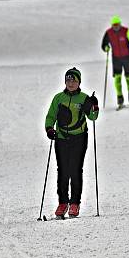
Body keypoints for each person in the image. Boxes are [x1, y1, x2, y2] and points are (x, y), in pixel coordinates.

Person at [44, 67, 99, 218]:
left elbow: (93, 117)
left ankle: (75, 203)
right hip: (61, 138)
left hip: (79, 138)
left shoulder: (83, 98)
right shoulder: (58, 98)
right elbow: (51, 116)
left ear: (79, 81)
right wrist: (49, 129)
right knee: (62, 171)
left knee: (75, 170)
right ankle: (63, 203)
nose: (70, 83)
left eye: (73, 80)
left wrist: (94, 106)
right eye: (68, 80)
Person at [101, 15, 129, 107]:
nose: (116, 26)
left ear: (120, 24)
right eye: (114, 25)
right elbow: (104, 44)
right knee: (117, 78)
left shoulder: (126, 31)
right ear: (112, 25)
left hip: (127, 58)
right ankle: (120, 98)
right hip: (116, 58)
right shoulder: (108, 33)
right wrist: (106, 48)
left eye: (117, 25)